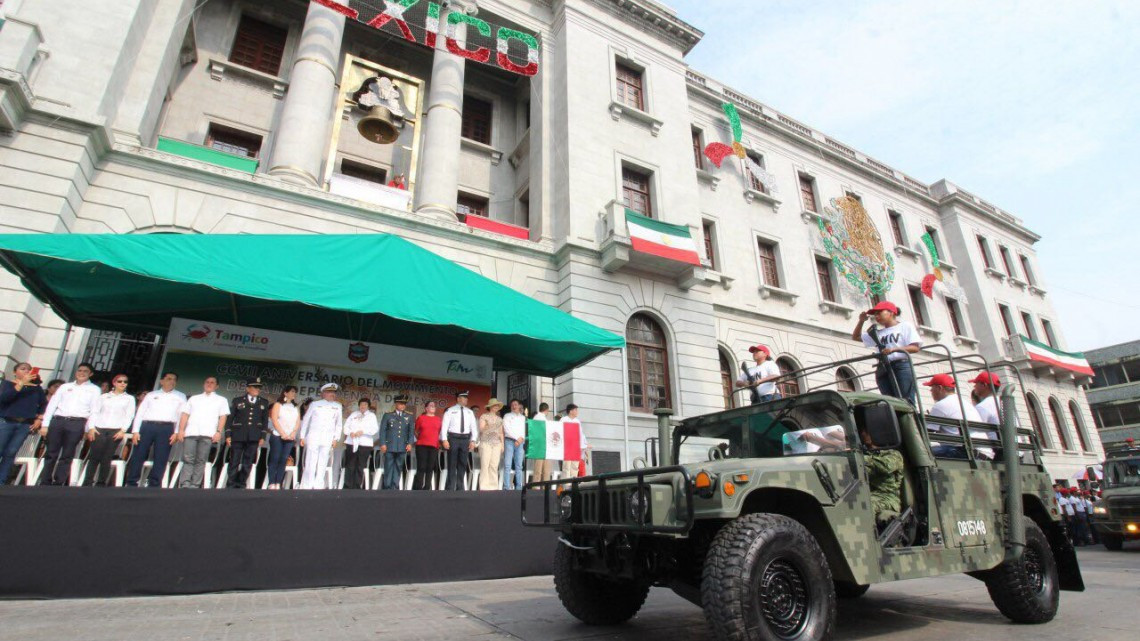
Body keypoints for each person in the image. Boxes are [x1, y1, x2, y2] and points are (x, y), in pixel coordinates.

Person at [39, 362, 101, 486]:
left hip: (77, 423)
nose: (81, 373)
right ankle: (45, 481)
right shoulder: (65, 387)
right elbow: (52, 405)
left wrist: (90, 428)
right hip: (58, 421)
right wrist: (45, 424)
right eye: (80, 370)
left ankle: (59, 481)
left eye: (85, 371)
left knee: (68, 454)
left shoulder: (94, 389)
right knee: (51, 452)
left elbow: (94, 410)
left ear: (91, 374)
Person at [852, 301, 922, 404]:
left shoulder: (905, 326)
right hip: (883, 367)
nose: (877, 316)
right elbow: (856, 337)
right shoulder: (878, 333)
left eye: (879, 313)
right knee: (890, 402)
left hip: (901, 365)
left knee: (906, 400)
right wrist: (861, 321)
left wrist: (894, 349)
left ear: (891, 312)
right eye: (875, 314)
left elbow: (915, 347)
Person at [125, 371, 186, 488]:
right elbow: (140, 413)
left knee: (161, 457)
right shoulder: (151, 395)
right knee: (139, 454)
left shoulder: (180, 396)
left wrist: (177, 432)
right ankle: (132, 482)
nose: (172, 381)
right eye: (169, 379)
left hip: (167, 428)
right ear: (161, 381)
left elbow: (181, 416)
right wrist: (135, 431)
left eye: (174, 379)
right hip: (148, 426)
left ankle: (154, 484)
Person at [82, 373, 136, 486]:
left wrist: (123, 430)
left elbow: (129, 415)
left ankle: (101, 482)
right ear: (114, 383)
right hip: (99, 428)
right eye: (120, 381)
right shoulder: (104, 397)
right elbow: (95, 412)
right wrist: (91, 427)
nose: (123, 383)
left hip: (115, 429)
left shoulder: (129, 398)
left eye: (125, 382)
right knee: (94, 455)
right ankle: (88, 481)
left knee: (106, 457)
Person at [177, 376, 230, 488]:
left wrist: (219, 432)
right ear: (203, 384)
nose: (209, 384)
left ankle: (195, 484)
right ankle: (185, 483)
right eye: (207, 382)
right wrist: (181, 430)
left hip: (208, 433)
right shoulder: (194, 398)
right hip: (191, 432)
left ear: (217, 386)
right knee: (188, 459)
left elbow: (223, 417)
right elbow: (185, 414)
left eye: (212, 382)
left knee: (201, 460)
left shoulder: (221, 400)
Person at [0, 362, 47, 484]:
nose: (27, 371)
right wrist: (20, 383)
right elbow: (4, 398)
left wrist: (39, 419)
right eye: (23, 369)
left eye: (29, 369)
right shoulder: (8, 384)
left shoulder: (36, 389)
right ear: (15, 372)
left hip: (24, 424)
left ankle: (2, 480)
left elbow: (44, 404)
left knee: (11, 452)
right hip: (6, 422)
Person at [224, 377, 270, 489]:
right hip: (238, 435)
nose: (257, 389)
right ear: (247, 388)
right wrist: (228, 435)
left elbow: (264, 421)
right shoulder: (238, 400)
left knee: (247, 462)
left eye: (259, 387)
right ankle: (231, 483)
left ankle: (241, 483)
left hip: (254, 436)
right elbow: (230, 419)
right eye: (254, 387)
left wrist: (263, 436)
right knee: (234, 460)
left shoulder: (263, 402)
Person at [923, 373, 982, 459]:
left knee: (923, 453)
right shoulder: (964, 402)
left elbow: (927, 431)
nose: (931, 391)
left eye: (932, 387)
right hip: (980, 450)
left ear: (940, 388)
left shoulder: (940, 405)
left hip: (964, 451)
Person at [299, 383, 343, 489]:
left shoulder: (338, 406)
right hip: (314, 435)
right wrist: (302, 436)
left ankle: (319, 484)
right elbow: (306, 420)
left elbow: (339, 424)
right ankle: (307, 484)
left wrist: (336, 438)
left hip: (327, 437)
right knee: (311, 460)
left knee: (323, 461)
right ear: (323, 393)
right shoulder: (315, 404)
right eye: (329, 392)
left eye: (334, 392)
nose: (332, 394)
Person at [859, 421, 904, 524]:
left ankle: (869, 538)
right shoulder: (864, 454)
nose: (862, 434)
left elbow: (886, 466)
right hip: (865, 494)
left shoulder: (893, 454)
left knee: (866, 504)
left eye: (865, 431)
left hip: (887, 498)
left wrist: (861, 458)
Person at [440, 391, 478, 490]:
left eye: (466, 398)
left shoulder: (469, 412)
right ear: (458, 399)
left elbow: (474, 427)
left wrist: (473, 440)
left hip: (465, 439)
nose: (466, 399)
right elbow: (444, 426)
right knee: (452, 462)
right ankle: (450, 487)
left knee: (463, 463)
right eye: (464, 398)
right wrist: (444, 439)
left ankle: (460, 486)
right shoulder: (450, 410)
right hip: (453, 438)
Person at [266, 386, 301, 490]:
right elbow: (274, 419)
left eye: (295, 392)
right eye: (292, 391)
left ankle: (278, 482)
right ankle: (272, 481)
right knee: (275, 458)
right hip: (278, 435)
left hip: (290, 437)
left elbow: (297, 421)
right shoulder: (278, 404)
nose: (294, 394)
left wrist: (293, 433)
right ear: (285, 393)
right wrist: (282, 433)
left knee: (283, 459)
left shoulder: (295, 407)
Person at [376, 394, 413, 490]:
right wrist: (383, 443)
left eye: (404, 404)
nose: (403, 405)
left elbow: (411, 431)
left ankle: (395, 486)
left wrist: (410, 443)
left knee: (398, 466)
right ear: (396, 404)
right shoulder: (388, 415)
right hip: (389, 445)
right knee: (388, 466)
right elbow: (382, 430)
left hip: (402, 446)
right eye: (401, 403)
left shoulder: (408, 416)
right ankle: (387, 486)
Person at [343, 397, 379, 490]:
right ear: (359, 405)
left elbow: (374, 429)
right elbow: (346, 426)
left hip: (365, 444)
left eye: (365, 405)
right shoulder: (353, 414)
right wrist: (350, 432)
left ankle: (357, 486)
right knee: (350, 464)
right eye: (361, 404)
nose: (363, 406)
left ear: (368, 406)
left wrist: (363, 431)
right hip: (351, 442)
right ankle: (347, 486)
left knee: (360, 465)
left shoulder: (371, 416)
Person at [413, 400, 442, 490]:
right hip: (421, 445)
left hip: (434, 446)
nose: (433, 406)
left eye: (434, 405)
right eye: (431, 405)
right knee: (421, 466)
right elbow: (416, 431)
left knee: (430, 467)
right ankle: (418, 486)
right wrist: (421, 438)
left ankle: (427, 487)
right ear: (426, 408)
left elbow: (439, 432)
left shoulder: (438, 419)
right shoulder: (421, 418)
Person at [477, 398, 504, 490]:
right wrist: (489, 426)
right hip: (486, 442)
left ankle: (493, 486)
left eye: (497, 405)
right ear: (490, 407)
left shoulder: (500, 419)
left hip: (497, 443)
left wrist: (502, 445)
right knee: (485, 464)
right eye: (494, 405)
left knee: (494, 465)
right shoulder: (484, 416)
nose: (496, 407)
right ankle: (484, 486)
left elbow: (501, 433)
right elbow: (481, 429)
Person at [501, 399, 527, 490]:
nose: (514, 406)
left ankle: (519, 487)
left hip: (520, 442)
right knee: (507, 464)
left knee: (519, 466)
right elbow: (506, 429)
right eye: (512, 405)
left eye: (516, 404)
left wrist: (521, 439)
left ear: (519, 406)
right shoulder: (507, 416)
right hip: (509, 441)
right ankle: (506, 487)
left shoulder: (523, 417)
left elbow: (525, 430)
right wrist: (517, 438)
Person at [560, 404, 591, 477]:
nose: (577, 412)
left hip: (575, 447)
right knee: (566, 467)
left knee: (574, 467)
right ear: (570, 411)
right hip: (567, 447)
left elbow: (581, 435)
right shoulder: (563, 420)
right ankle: (566, 484)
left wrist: (585, 445)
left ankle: (573, 484)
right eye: (575, 410)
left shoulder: (577, 421)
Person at [529, 402, 554, 482]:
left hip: (543, 445)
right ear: (547, 410)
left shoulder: (536, 417)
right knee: (540, 468)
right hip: (540, 445)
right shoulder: (539, 418)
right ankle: (541, 486)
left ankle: (540, 486)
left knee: (543, 468)